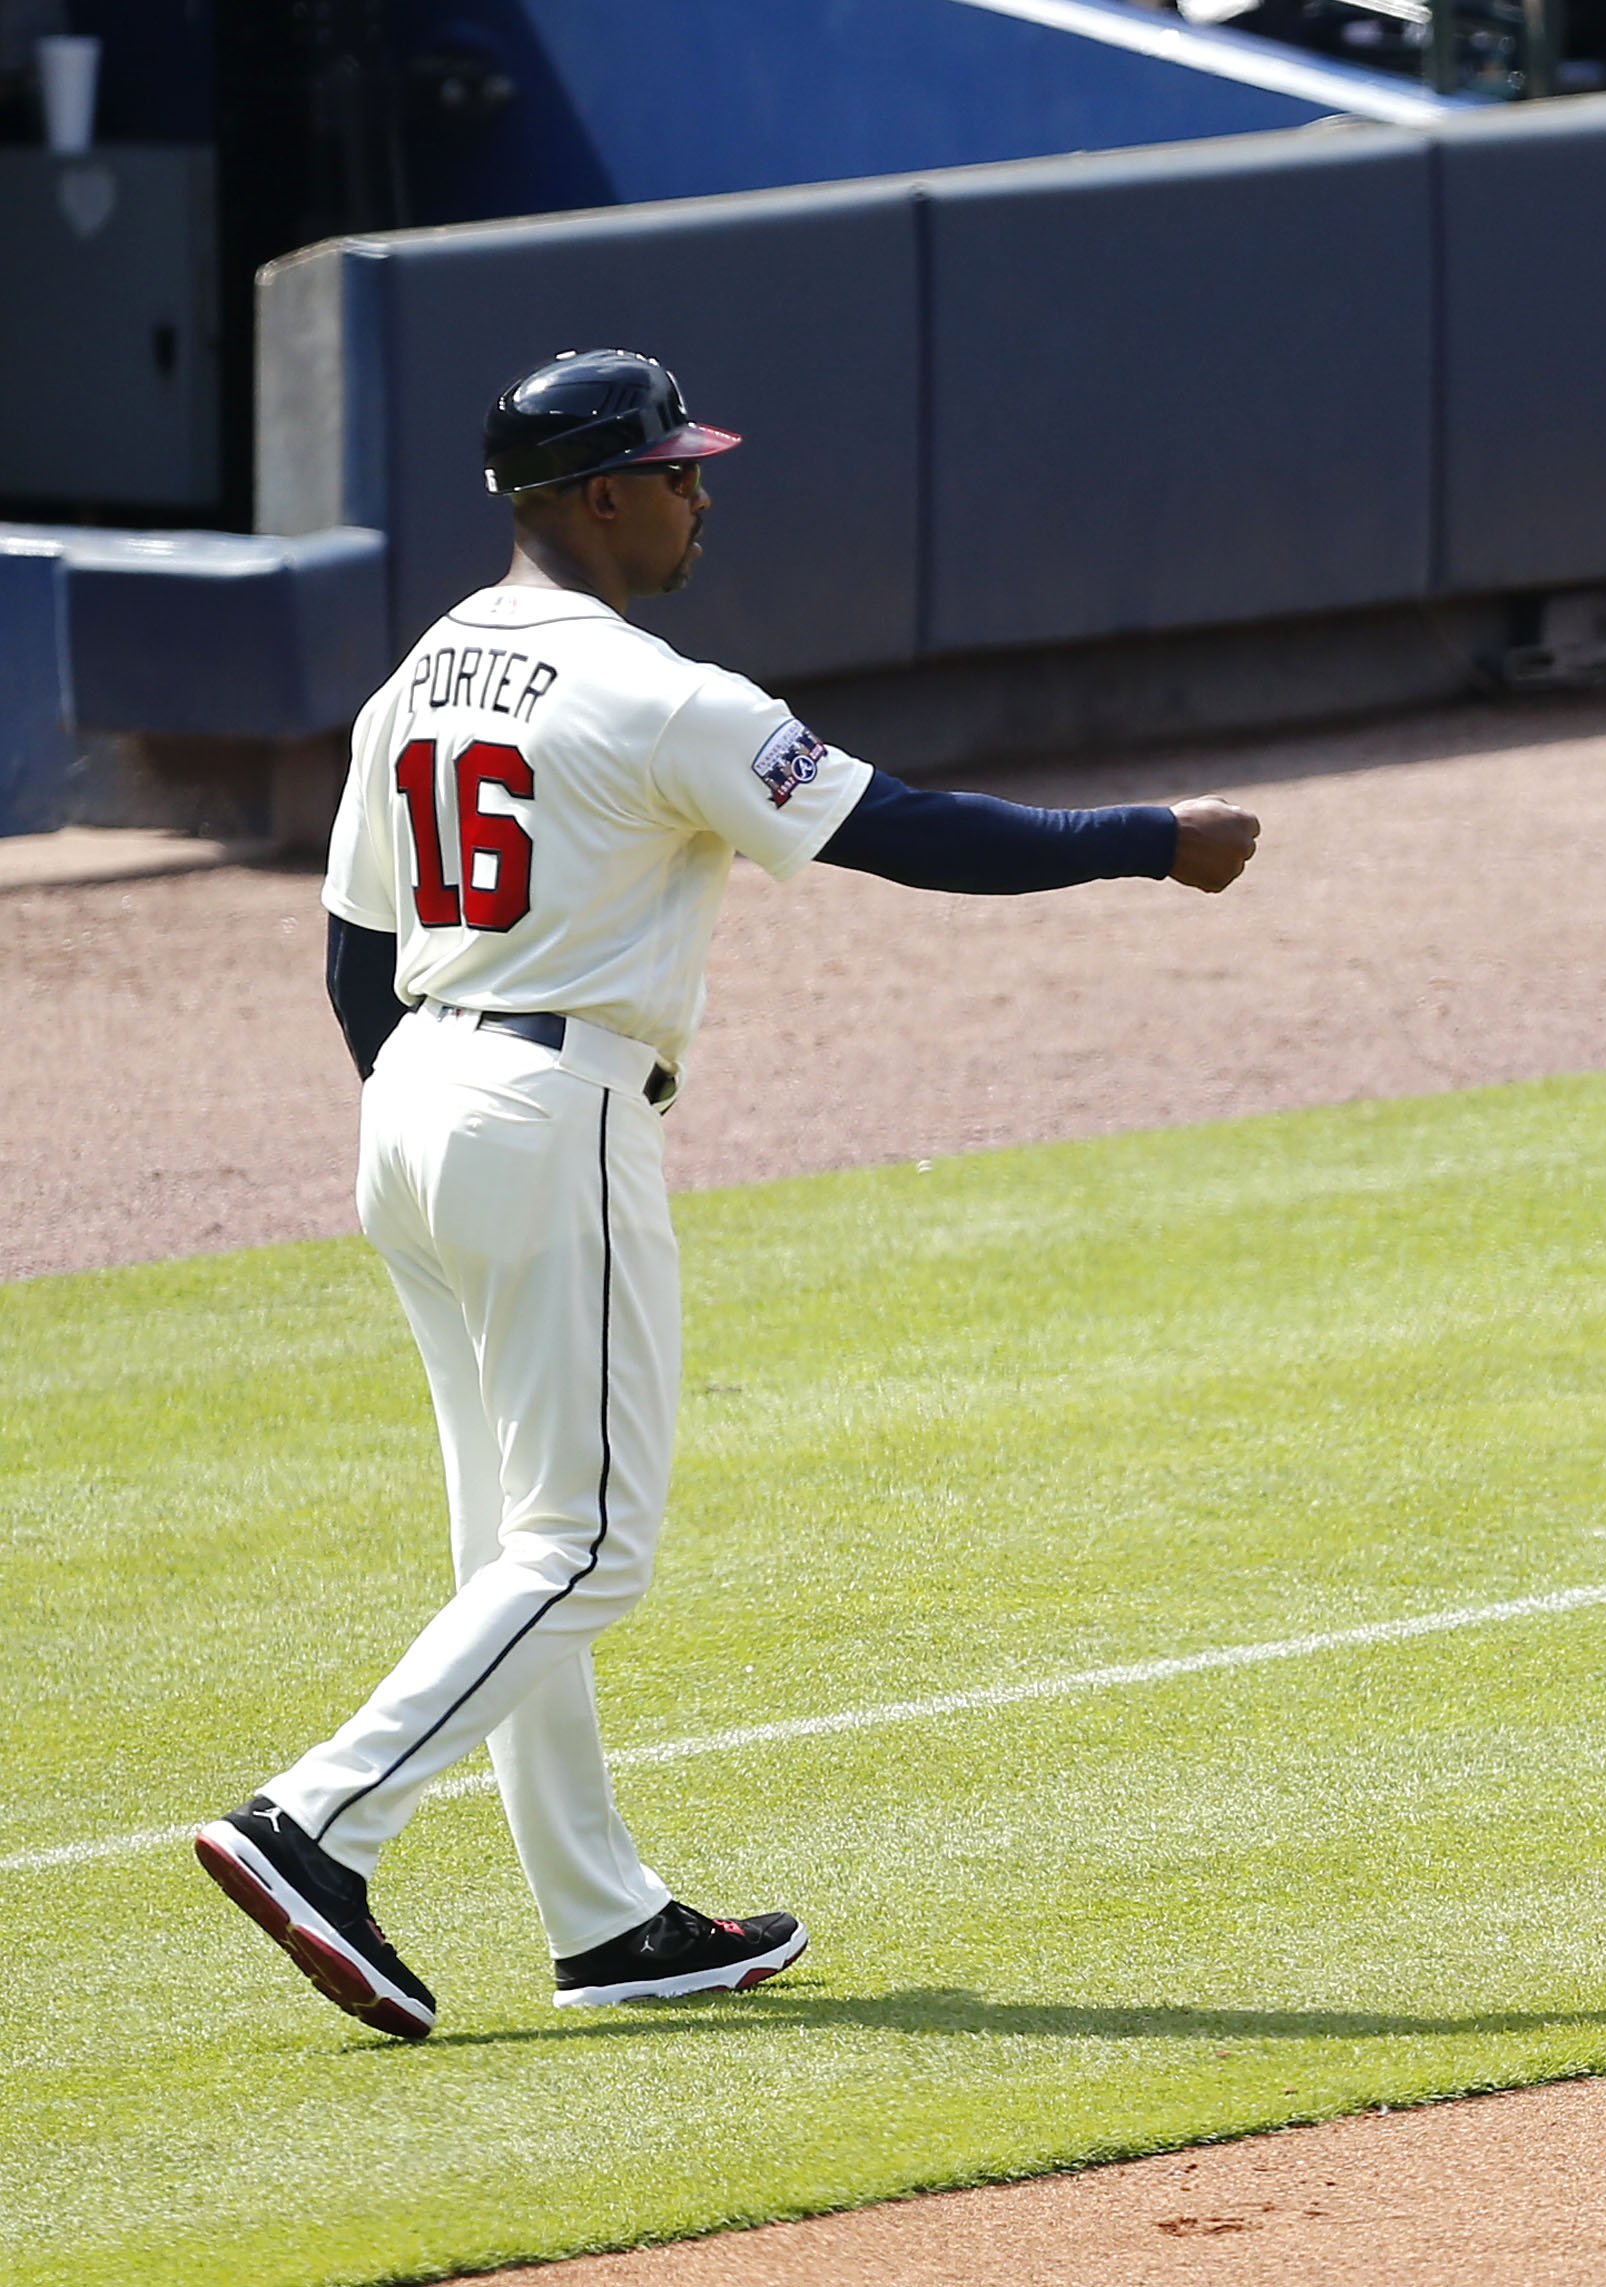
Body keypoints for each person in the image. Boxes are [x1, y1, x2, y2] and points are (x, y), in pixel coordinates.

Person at [194, 348, 1261, 2037]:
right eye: (678, 470)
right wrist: (1150, 835)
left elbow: (354, 955)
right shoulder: (656, 692)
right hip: (551, 1105)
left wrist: (430, 1122)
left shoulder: (423, 673)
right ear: (597, 496)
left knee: (514, 1548)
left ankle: (605, 1921)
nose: (704, 495)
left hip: (413, 1103)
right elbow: (901, 828)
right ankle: (317, 1824)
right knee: (589, 1546)